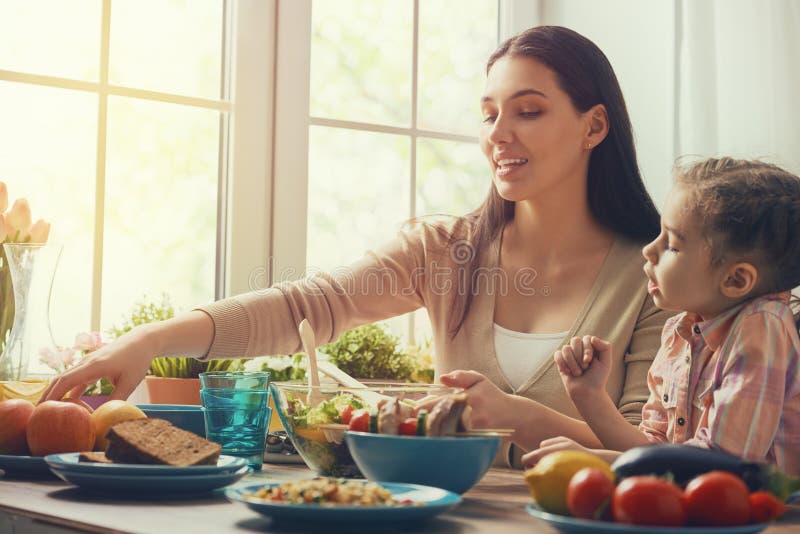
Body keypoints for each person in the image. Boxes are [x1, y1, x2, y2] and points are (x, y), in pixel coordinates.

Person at [41, 26, 671, 468]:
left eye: (527, 111)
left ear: (593, 125)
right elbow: (305, 307)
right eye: (489, 113)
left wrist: (517, 415)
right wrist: (148, 340)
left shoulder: (657, 277)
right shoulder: (443, 251)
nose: (498, 134)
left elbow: (650, 447)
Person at [524, 158, 800, 476]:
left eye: (671, 244)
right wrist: (589, 396)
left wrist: (595, 461)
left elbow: (725, 465)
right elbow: (654, 450)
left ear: (736, 280)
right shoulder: (678, 332)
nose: (648, 250)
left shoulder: (762, 326)